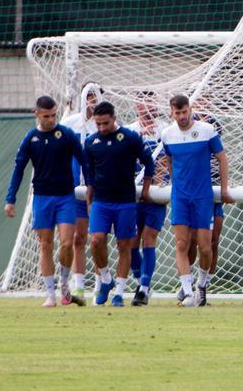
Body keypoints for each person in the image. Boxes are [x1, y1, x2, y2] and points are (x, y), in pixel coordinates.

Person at [3, 96, 87, 307]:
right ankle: (50, 293)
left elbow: (85, 160)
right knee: (45, 244)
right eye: (46, 116)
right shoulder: (30, 139)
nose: (51, 120)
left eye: (53, 115)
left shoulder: (66, 135)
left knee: (67, 242)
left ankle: (65, 284)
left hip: (65, 197)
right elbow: (18, 170)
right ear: (37, 114)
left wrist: (92, 185)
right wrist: (10, 199)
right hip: (41, 198)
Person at [159, 95, 232, 307]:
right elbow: (170, 161)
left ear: (190, 110)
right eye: (177, 113)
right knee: (181, 243)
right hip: (181, 197)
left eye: (184, 112)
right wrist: (175, 186)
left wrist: (224, 189)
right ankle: (188, 292)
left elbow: (222, 158)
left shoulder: (207, 130)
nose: (181, 117)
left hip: (202, 196)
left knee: (205, 247)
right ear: (171, 112)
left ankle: (201, 284)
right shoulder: (167, 135)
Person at [82, 102, 154, 307]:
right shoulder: (90, 142)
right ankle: (106, 279)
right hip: (101, 202)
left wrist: (147, 188)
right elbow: (89, 169)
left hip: (125, 201)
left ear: (114, 118)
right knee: (95, 240)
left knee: (125, 245)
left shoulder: (129, 137)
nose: (102, 128)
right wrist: (89, 187)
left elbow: (148, 162)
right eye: (98, 124)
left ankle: (119, 293)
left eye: (106, 123)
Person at [60, 83, 102, 299]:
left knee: (97, 238)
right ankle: (78, 285)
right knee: (77, 237)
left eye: (95, 96)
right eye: (89, 96)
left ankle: (99, 284)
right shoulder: (69, 125)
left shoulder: (103, 126)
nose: (91, 101)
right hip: (74, 189)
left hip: (96, 190)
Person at [127, 95, 166, 306]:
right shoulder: (129, 131)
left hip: (156, 193)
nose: (148, 106)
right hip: (132, 194)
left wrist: (158, 179)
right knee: (131, 241)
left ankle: (143, 288)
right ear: (137, 106)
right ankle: (140, 281)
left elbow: (168, 159)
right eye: (143, 102)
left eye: (151, 102)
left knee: (149, 238)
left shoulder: (166, 131)